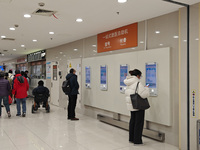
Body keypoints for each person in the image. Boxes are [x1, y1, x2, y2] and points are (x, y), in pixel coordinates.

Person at [124, 69, 149, 145]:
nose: (140, 78)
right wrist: (146, 88)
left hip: (131, 105)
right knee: (138, 123)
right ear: (137, 76)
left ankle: (131, 138)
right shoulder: (138, 83)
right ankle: (137, 140)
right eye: (140, 76)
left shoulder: (128, 83)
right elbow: (144, 94)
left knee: (133, 121)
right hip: (138, 106)